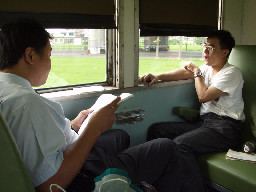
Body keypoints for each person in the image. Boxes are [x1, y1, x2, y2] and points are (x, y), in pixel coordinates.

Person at [0, 18, 182, 192]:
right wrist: (93, 128)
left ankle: (127, 179)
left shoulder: (8, 89)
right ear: (30, 55)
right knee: (167, 147)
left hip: (67, 149)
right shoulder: (24, 103)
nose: (50, 63)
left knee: (119, 136)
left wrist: (73, 125)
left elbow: (30, 137)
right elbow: (51, 184)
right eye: (48, 55)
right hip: (79, 175)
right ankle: (117, 177)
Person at [139, 30, 245, 192]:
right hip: (205, 124)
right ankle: (155, 181)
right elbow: (184, 73)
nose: (205, 50)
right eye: (204, 45)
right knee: (157, 130)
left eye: (211, 47)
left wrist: (196, 71)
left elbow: (203, 96)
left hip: (225, 129)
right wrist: (158, 76)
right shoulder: (207, 69)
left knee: (181, 145)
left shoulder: (232, 73)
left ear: (225, 52)